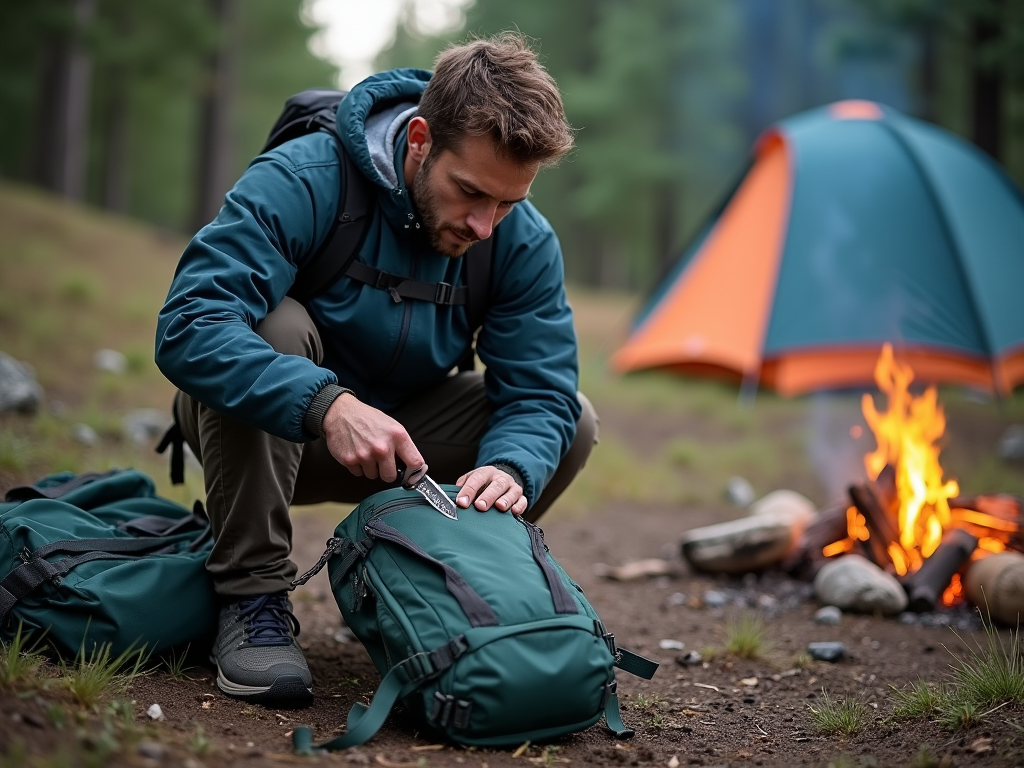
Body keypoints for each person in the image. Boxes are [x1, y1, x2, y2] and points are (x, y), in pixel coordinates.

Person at [155, 33, 597, 708]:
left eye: (507, 203)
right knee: (273, 328)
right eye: (471, 192)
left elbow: (540, 390)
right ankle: (251, 600)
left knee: (573, 422)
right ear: (420, 138)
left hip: (407, 446)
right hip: (276, 432)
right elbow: (192, 325)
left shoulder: (519, 238)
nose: (485, 225)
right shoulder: (306, 177)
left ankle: (434, 597)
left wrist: (510, 469)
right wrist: (327, 404)